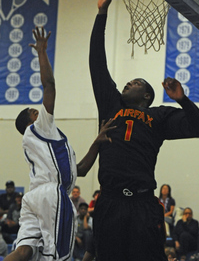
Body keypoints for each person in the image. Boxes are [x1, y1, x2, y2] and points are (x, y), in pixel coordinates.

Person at [89, 0, 199, 261]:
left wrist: (183, 100)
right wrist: (101, 14)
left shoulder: (159, 116)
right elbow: (96, 62)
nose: (128, 83)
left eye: (136, 83)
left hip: (143, 203)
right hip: (110, 201)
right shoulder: (111, 104)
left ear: (147, 96)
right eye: (128, 82)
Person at [4, 27, 116, 261]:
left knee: (24, 251)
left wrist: (96, 142)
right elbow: (49, 85)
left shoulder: (48, 143)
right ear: (32, 117)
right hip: (52, 195)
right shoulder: (38, 127)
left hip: (33, 197)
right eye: (36, 111)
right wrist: (42, 52)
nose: (40, 110)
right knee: (57, 257)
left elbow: (81, 170)